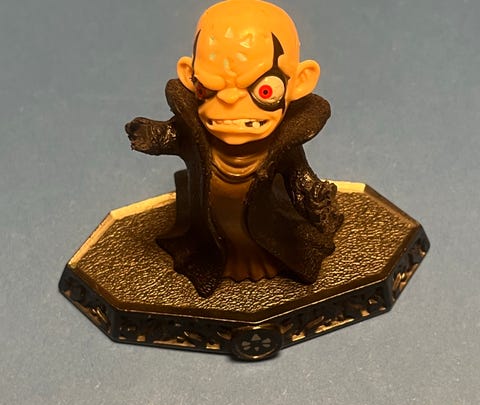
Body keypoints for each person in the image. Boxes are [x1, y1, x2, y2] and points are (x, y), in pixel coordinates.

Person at [125, 0, 343, 297]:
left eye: (265, 90)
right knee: (213, 241)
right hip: (210, 226)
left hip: (265, 227)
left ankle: (262, 255)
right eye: (207, 87)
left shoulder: (283, 144)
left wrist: (315, 199)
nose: (231, 102)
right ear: (190, 75)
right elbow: (172, 136)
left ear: (300, 82)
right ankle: (217, 256)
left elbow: (300, 179)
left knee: (267, 240)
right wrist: (151, 135)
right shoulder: (195, 132)